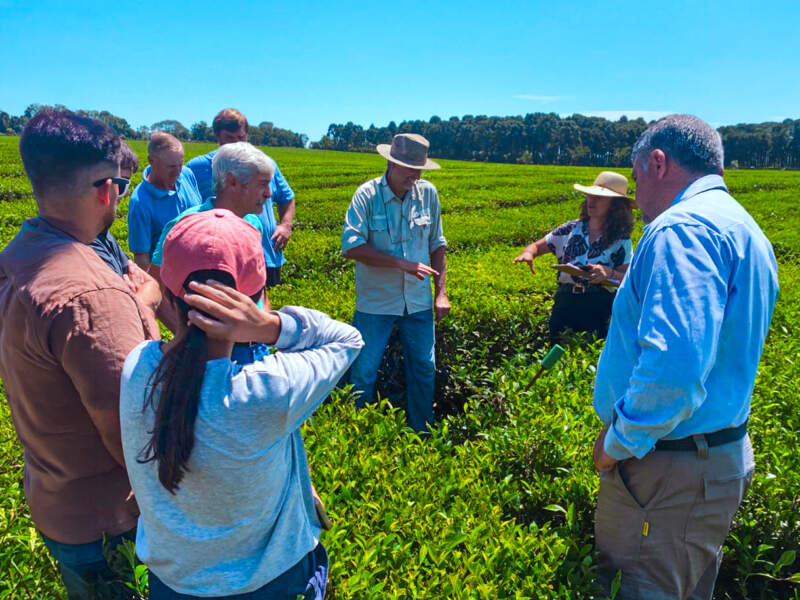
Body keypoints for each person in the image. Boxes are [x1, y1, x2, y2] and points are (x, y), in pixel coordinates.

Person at [120, 209, 363, 599]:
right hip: (269, 585)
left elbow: (162, 353)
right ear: (254, 300)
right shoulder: (268, 389)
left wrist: (146, 307)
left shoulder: (137, 371)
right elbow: (347, 339)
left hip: (173, 584)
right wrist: (268, 327)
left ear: (169, 293)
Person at [591, 115, 778, 599]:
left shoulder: (682, 229)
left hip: (667, 469)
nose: (636, 195)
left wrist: (617, 442)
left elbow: (675, 369)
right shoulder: (743, 226)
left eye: (636, 178)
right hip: (712, 458)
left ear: (658, 162)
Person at [0, 110, 160, 598]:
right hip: (108, 523)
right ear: (106, 190)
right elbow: (134, 434)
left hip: (56, 500)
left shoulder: (19, 255)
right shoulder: (91, 295)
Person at [341, 133, 449, 432]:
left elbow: (438, 245)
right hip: (375, 304)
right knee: (364, 370)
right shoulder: (366, 195)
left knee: (424, 368)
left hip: (418, 302)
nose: (416, 176)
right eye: (410, 169)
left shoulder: (428, 194)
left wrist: (441, 294)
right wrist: (401, 263)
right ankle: (357, 436)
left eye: (419, 170)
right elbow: (351, 247)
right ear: (391, 163)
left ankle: (422, 432)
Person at [149, 141, 275, 331]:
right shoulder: (183, 226)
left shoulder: (253, 223)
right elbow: (154, 287)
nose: (269, 194)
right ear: (232, 182)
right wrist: (189, 337)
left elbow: (258, 284)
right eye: (262, 184)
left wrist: (261, 325)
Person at [513, 171, 634, 343]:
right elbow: (537, 246)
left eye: (599, 198)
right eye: (590, 196)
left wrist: (609, 273)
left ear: (615, 205)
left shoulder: (621, 240)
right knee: (556, 347)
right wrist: (528, 254)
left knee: (588, 351)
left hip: (598, 305)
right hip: (565, 301)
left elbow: (628, 278)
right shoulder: (570, 229)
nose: (591, 201)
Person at [186, 108, 295, 287]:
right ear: (217, 136)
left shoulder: (265, 164)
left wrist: (285, 225)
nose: (237, 143)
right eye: (230, 138)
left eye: (241, 137)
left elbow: (286, 197)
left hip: (268, 255)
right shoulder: (197, 168)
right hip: (225, 258)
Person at [127, 131, 202, 271]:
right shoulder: (140, 201)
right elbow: (141, 257)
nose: (178, 171)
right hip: (168, 275)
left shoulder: (187, 174)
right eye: (171, 167)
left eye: (180, 164)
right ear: (151, 161)